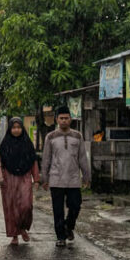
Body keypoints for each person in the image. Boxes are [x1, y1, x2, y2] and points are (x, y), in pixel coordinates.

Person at [41, 106, 91, 247]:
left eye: (66, 118)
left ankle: (69, 227)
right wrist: (44, 179)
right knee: (58, 209)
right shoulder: (50, 137)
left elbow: (82, 157)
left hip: (74, 178)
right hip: (56, 178)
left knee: (75, 205)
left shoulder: (77, 136)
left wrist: (86, 176)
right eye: (61, 118)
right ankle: (60, 237)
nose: (64, 121)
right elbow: (46, 159)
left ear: (70, 119)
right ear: (57, 120)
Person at [0, 117, 40, 245]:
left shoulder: (27, 144)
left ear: (22, 129)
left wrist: (37, 179)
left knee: (26, 205)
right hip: (8, 178)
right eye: (14, 127)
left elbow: (33, 162)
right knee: (11, 207)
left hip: (25, 177)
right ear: (10, 129)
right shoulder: (5, 145)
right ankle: (14, 235)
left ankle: (23, 227)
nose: (16, 130)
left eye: (19, 127)